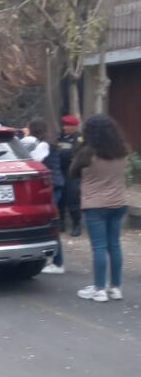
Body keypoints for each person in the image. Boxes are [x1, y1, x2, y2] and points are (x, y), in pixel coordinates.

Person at [70, 114, 129, 303]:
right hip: (118, 202)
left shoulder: (87, 153)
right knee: (114, 246)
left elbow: (73, 172)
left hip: (94, 204)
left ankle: (99, 289)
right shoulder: (122, 150)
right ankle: (116, 287)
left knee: (99, 247)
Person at [21, 118, 66, 274]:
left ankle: (58, 262)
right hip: (54, 185)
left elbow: (34, 161)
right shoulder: (46, 143)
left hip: (52, 186)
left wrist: (26, 141)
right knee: (51, 223)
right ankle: (57, 260)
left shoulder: (43, 144)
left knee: (51, 223)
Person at [58, 114, 83, 236]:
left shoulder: (79, 139)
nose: (64, 127)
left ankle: (76, 224)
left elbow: (76, 155)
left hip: (72, 173)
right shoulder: (61, 138)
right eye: (64, 125)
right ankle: (61, 223)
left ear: (75, 126)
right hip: (60, 171)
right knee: (60, 199)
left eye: (67, 125)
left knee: (73, 200)